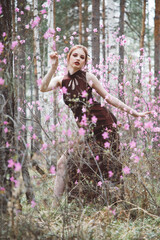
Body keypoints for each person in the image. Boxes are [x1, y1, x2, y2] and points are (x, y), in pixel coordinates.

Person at [40, 45, 151, 205]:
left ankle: (117, 205)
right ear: (69, 58)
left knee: (109, 164)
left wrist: (134, 113)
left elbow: (109, 97)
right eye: (75, 55)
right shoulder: (60, 80)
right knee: (62, 162)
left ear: (85, 62)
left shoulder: (88, 77)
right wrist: (53, 67)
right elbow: (43, 88)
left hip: (104, 125)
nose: (78, 58)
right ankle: (54, 208)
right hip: (86, 130)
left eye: (82, 57)